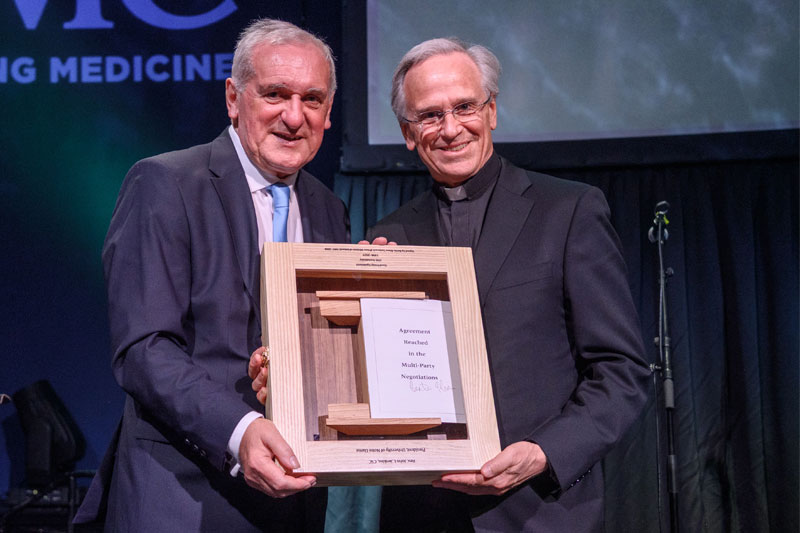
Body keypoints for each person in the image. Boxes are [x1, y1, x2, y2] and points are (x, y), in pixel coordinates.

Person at [74, 18, 349, 531]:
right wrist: (240, 429)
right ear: (233, 97)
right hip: (183, 492)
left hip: (295, 500)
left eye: (312, 100)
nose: (294, 116)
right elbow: (143, 348)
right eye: (275, 94)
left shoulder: (329, 209)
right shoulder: (165, 182)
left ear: (329, 113)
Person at [367, 38, 650, 531]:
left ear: (492, 110)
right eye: (430, 116)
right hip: (422, 515)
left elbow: (622, 370)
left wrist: (544, 453)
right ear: (408, 134)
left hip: (540, 510)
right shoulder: (388, 238)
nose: (451, 129)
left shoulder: (568, 211)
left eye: (464, 107)